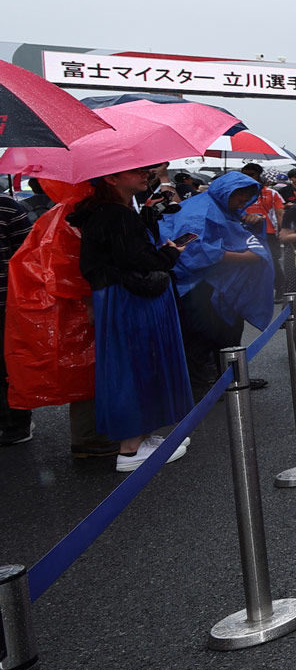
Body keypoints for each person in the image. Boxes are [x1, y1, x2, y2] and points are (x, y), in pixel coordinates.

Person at [66, 166, 195, 472]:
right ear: (111, 178)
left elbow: (123, 255)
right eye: (135, 171)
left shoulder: (107, 211)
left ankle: (142, 437)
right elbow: (139, 259)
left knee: (137, 364)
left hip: (122, 298)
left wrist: (146, 221)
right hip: (131, 300)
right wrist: (171, 253)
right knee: (137, 365)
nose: (144, 175)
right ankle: (130, 448)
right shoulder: (115, 215)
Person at [163, 171, 276, 393]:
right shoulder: (198, 211)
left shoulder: (227, 209)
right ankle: (200, 388)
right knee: (200, 335)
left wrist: (253, 224)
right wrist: (244, 257)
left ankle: (231, 378)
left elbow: (234, 235)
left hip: (222, 285)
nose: (243, 202)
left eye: (247, 199)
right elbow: (188, 249)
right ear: (226, 192)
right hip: (197, 285)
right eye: (240, 197)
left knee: (229, 331)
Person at [0, 184, 34, 444]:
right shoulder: (9, 207)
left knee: (6, 366)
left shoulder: (9, 207)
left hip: (5, 303)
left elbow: (27, 254)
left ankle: (16, 423)